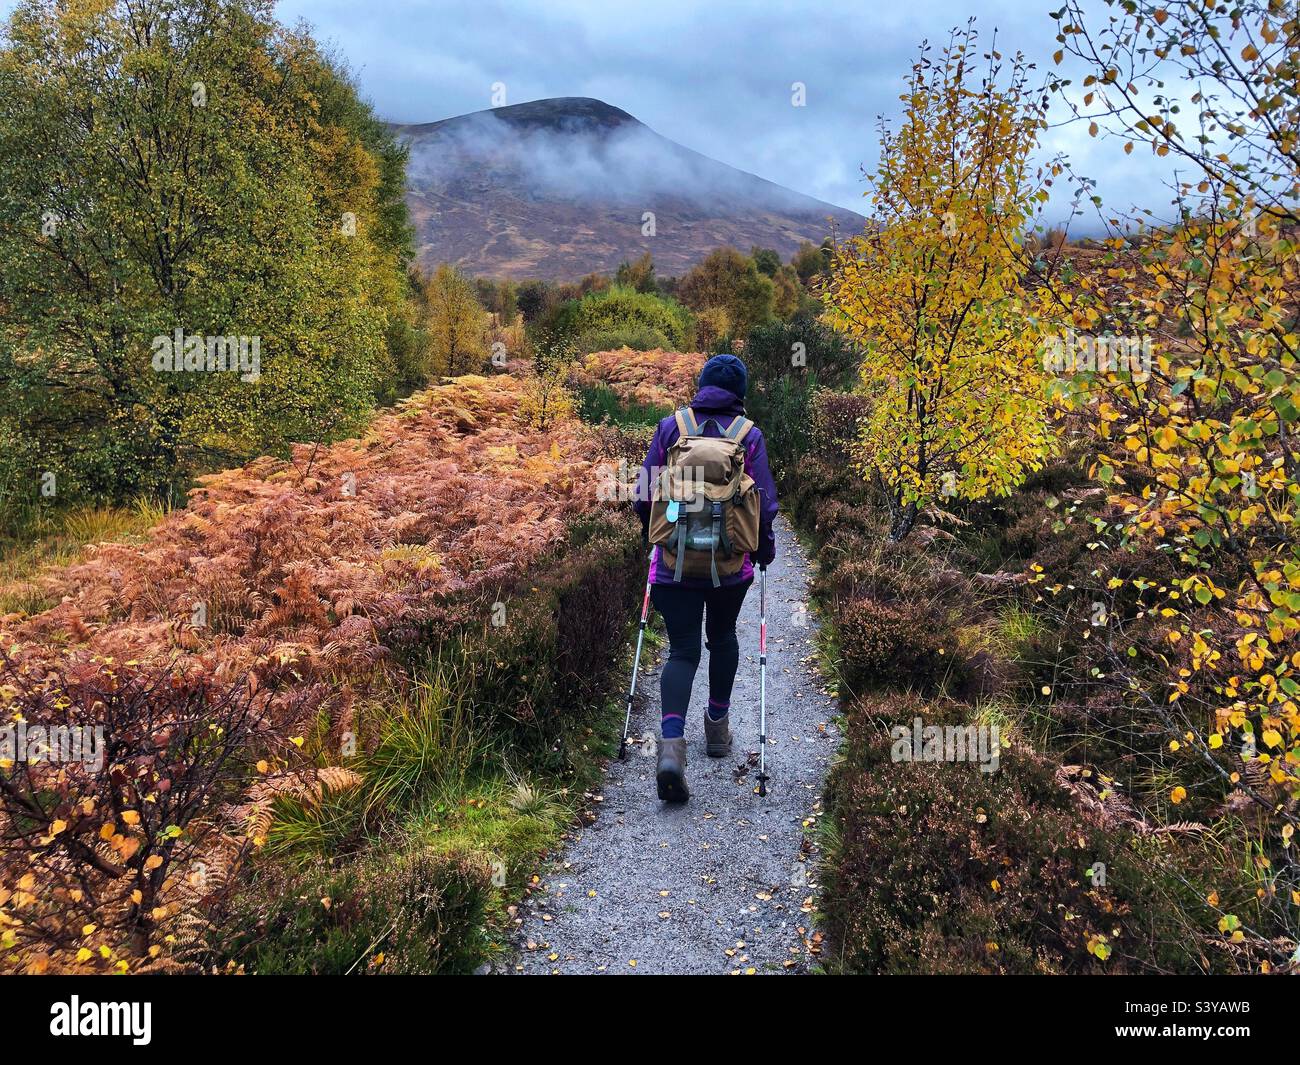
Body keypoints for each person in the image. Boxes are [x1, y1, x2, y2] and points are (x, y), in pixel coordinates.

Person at [633, 353, 779, 802]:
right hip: (730, 569)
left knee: (681, 650)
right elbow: (766, 505)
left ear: (701, 386)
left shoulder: (670, 428)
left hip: (674, 565)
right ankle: (717, 731)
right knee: (723, 639)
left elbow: (642, 494)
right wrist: (764, 550)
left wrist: (654, 534)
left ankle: (672, 750)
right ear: (740, 393)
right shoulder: (748, 436)